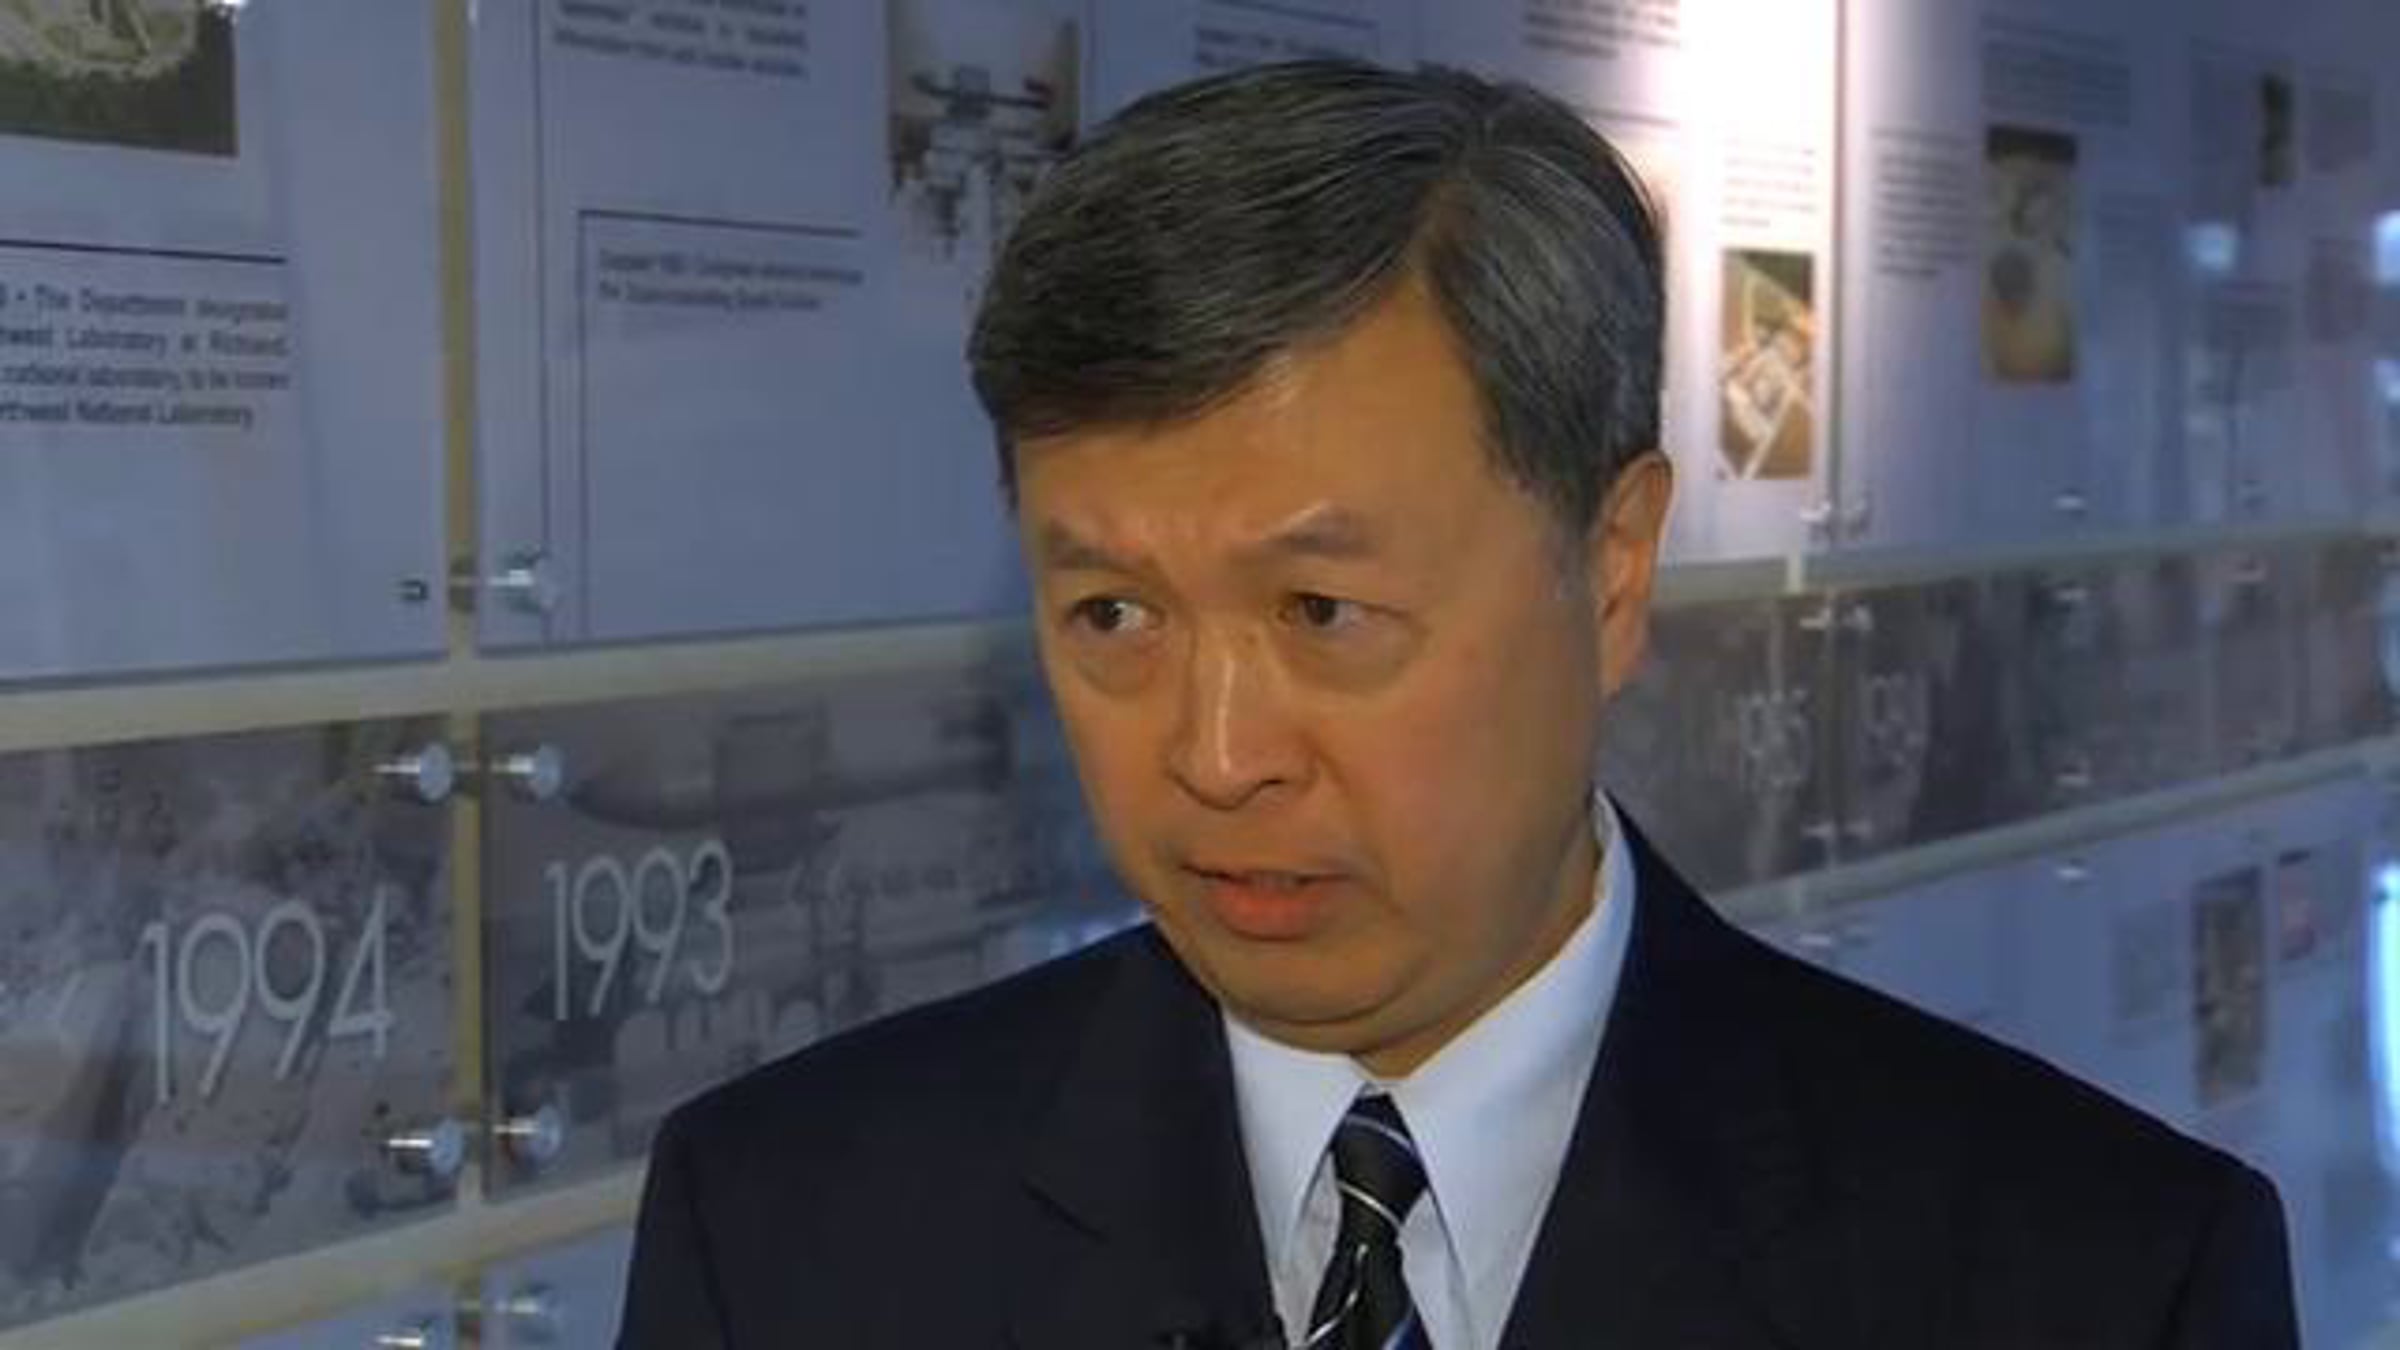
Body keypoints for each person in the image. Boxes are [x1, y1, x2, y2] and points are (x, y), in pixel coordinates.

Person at [619, 60, 2296, 1349]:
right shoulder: (781, 1239)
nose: (1216, 755)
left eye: (1323, 612)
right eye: (1113, 613)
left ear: (1612, 570)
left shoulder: (2096, 1275)